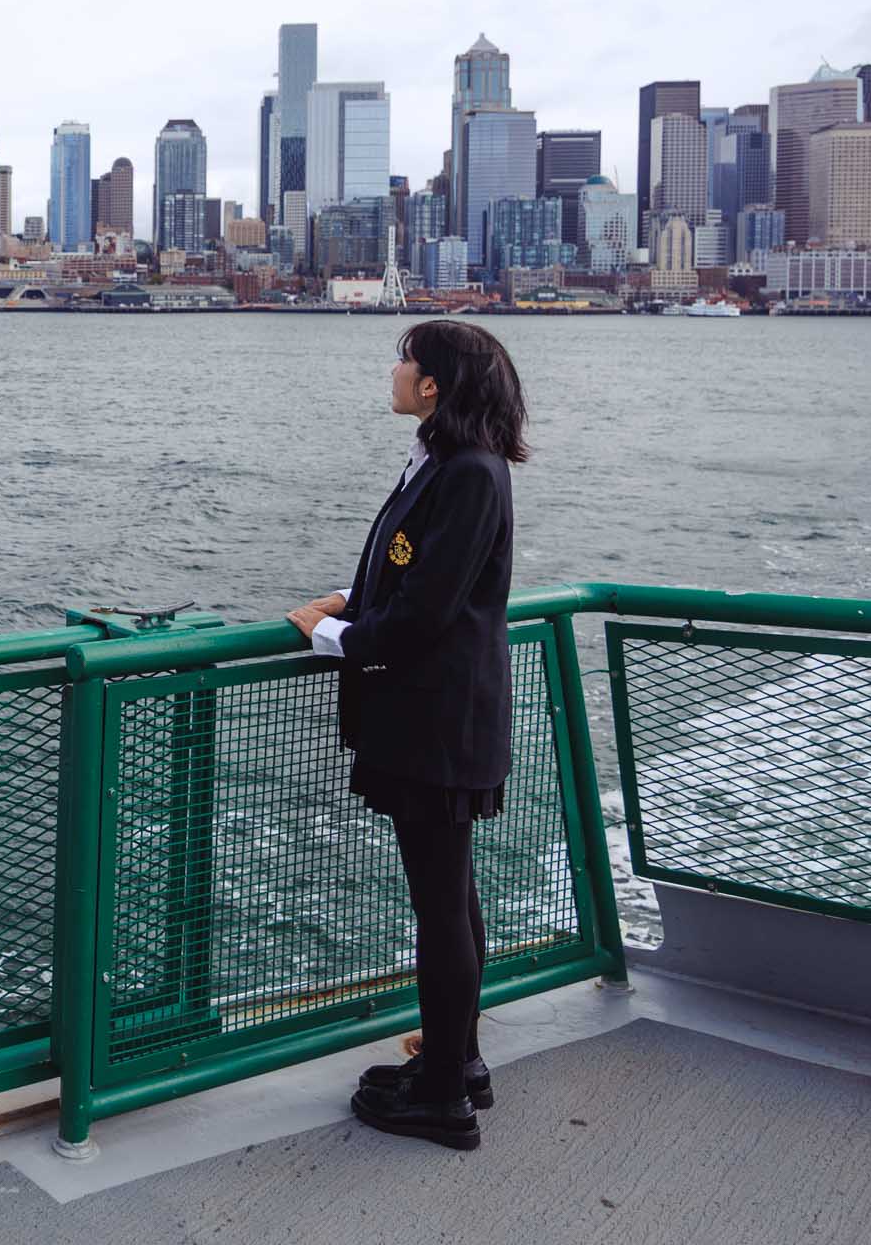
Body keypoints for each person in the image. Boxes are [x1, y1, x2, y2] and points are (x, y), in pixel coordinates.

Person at [286, 319, 527, 1153]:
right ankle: (456, 1066)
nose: (393, 371)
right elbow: (414, 577)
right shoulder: (446, 464)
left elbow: (427, 613)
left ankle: (443, 1096)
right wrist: (352, 604)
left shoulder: (467, 474)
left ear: (433, 386)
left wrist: (327, 636)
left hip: (439, 720)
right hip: (439, 715)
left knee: (441, 904)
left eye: (404, 360)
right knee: (450, 896)